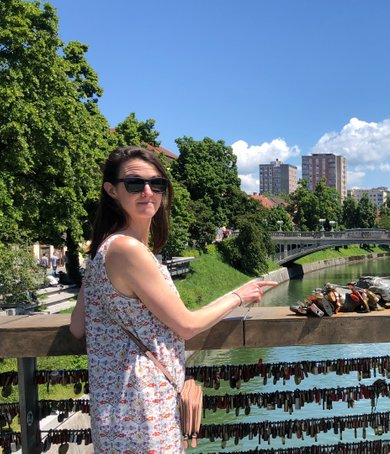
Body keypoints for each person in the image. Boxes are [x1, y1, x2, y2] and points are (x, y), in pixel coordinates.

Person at [69, 146, 276, 452]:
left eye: (158, 183)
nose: (148, 191)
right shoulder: (128, 250)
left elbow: (76, 326)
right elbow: (187, 325)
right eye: (135, 183)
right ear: (112, 190)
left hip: (117, 407)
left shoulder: (107, 246)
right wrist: (239, 295)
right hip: (143, 408)